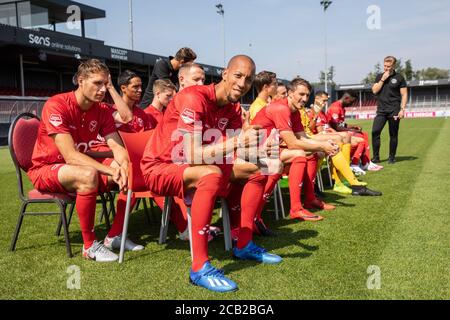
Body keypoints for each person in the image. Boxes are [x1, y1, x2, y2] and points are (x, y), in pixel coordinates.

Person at [141, 55, 282, 293]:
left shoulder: (233, 107)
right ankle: (199, 268)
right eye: (238, 75)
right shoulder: (192, 97)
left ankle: (244, 243)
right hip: (162, 167)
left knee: (259, 170)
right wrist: (239, 142)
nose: (242, 83)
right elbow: (193, 154)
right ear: (225, 74)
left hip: (199, 165)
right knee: (212, 175)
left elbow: (238, 147)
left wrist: (262, 149)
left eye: (248, 79)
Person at [27, 59, 141, 262]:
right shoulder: (57, 104)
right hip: (47, 168)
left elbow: (116, 146)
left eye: (105, 84)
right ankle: (89, 247)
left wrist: (123, 166)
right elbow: (70, 156)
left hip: (79, 164)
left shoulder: (103, 110)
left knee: (132, 171)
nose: (102, 90)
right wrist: (109, 171)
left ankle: (114, 235)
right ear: (81, 81)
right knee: (88, 175)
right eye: (97, 83)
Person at [252, 78, 340, 222]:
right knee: (299, 154)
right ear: (290, 93)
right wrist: (322, 146)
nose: (304, 99)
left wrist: (326, 143)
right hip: (255, 151)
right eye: (301, 94)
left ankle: (306, 201)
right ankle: (292, 208)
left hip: (271, 149)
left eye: (307, 95)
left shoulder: (295, 111)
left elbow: (303, 138)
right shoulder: (281, 108)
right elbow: (293, 143)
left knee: (309, 153)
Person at [308, 91, 382, 196]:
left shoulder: (321, 112)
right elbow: (317, 130)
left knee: (356, 137)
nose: (325, 103)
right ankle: (342, 179)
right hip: (312, 139)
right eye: (323, 100)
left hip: (319, 137)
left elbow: (327, 127)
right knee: (343, 139)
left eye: (326, 101)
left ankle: (345, 176)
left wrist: (342, 131)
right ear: (316, 99)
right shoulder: (318, 110)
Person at [327, 91, 383, 175]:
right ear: (346, 98)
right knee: (361, 139)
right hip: (334, 134)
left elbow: (341, 124)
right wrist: (354, 131)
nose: (352, 104)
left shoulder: (342, 108)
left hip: (339, 132)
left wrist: (353, 126)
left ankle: (366, 162)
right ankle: (355, 163)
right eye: (351, 101)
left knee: (364, 134)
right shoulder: (335, 108)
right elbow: (336, 127)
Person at [371, 55, 408, 164]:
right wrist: (383, 79)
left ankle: (392, 157)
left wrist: (402, 109)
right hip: (381, 110)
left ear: (394, 66)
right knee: (375, 131)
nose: (386, 68)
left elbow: (404, 94)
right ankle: (376, 157)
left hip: (394, 110)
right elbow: (374, 91)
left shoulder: (399, 78)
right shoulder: (379, 76)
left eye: (388, 66)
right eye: (385, 66)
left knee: (393, 134)